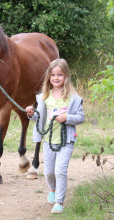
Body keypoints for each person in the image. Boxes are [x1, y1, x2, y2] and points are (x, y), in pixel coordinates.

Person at [25, 58, 85, 214]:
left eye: (59, 74)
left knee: (60, 171)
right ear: (49, 77)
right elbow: (39, 117)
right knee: (49, 172)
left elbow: (81, 117)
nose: (56, 78)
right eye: (53, 75)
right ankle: (52, 190)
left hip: (66, 140)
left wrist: (67, 118)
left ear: (65, 76)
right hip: (49, 140)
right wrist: (31, 114)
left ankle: (59, 202)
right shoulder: (44, 96)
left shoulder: (73, 97)